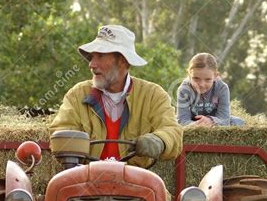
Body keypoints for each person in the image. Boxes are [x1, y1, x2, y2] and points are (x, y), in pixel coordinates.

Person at [50, 24, 182, 166]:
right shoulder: (77, 94)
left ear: (123, 61)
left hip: (135, 183)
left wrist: (158, 140)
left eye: (100, 56)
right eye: (92, 57)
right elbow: (60, 131)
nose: (92, 64)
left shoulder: (153, 95)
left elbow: (172, 131)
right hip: (85, 182)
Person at [176, 52, 244, 127]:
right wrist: (196, 125)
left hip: (215, 120)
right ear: (189, 74)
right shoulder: (183, 90)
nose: (201, 84)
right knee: (173, 122)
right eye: (196, 79)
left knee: (238, 122)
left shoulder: (222, 88)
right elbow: (182, 119)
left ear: (215, 76)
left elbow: (224, 119)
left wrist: (210, 121)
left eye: (207, 79)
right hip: (193, 121)